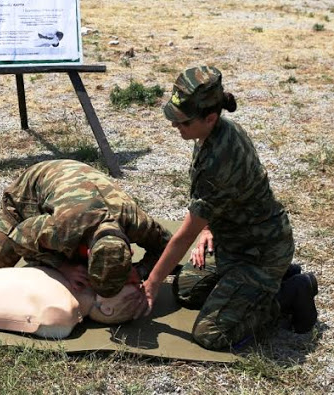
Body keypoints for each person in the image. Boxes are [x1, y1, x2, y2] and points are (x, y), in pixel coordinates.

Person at [135, 66, 318, 351]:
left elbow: (183, 237)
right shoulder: (212, 133)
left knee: (212, 334)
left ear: (209, 117)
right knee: (186, 290)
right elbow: (222, 199)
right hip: (235, 244)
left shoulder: (219, 160)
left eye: (182, 123)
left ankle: (288, 292)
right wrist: (208, 227)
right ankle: (276, 277)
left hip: (260, 254)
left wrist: (152, 283)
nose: (176, 127)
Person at [0, 159, 172, 299]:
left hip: (73, 190)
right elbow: (20, 236)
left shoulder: (136, 221)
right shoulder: (64, 227)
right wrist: (62, 266)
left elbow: (167, 245)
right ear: (89, 252)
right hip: (26, 201)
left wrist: (142, 271)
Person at [0, 266, 143, 339]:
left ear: (107, 308)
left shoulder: (62, 313)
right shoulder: (77, 278)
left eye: (131, 288)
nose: (128, 282)